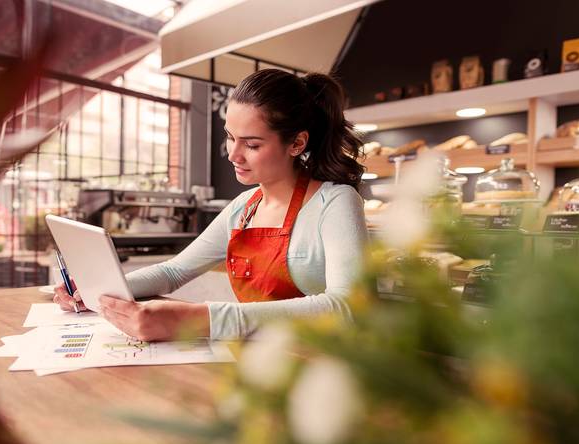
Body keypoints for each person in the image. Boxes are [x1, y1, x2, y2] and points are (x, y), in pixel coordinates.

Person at [54, 69, 368, 341]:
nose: (233, 154)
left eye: (252, 144)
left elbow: (345, 307)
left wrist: (197, 319)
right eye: (231, 137)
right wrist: (96, 290)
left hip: (324, 367)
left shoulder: (336, 201)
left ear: (297, 143)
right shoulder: (243, 208)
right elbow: (174, 271)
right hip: (262, 363)